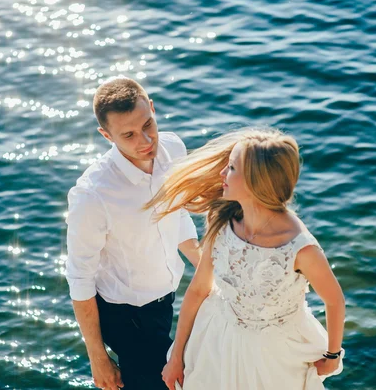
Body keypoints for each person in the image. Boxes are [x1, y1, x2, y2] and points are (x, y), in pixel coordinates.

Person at [145, 128, 346, 390]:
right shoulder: (224, 220)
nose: (221, 174)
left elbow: (334, 300)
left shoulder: (300, 248)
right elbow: (197, 290)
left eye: (231, 168)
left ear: (256, 181)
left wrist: (332, 356)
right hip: (216, 343)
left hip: (273, 358)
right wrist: (177, 357)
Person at [65, 77, 201, 390]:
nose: (145, 141)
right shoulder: (93, 194)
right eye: (128, 134)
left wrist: (209, 268)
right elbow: (80, 278)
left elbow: (176, 214)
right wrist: (97, 358)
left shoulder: (173, 148)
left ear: (152, 109)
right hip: (126, 315)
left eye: (148, 125)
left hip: (165, 299)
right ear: (106, 135)